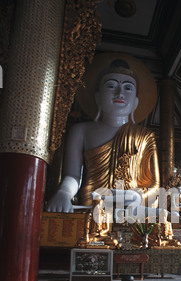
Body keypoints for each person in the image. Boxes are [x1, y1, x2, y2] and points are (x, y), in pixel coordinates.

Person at [46, 54, 160, 216]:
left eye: (128, 88)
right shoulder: (81, 131)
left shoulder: (145, 135)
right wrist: (64, 193)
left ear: (135, 102)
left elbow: (154, 186)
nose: (120, 93)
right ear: (98, 97)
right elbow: (72, 175)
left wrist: (136, 196)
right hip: (92, 205)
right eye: (111, 86)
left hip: (131, 209)